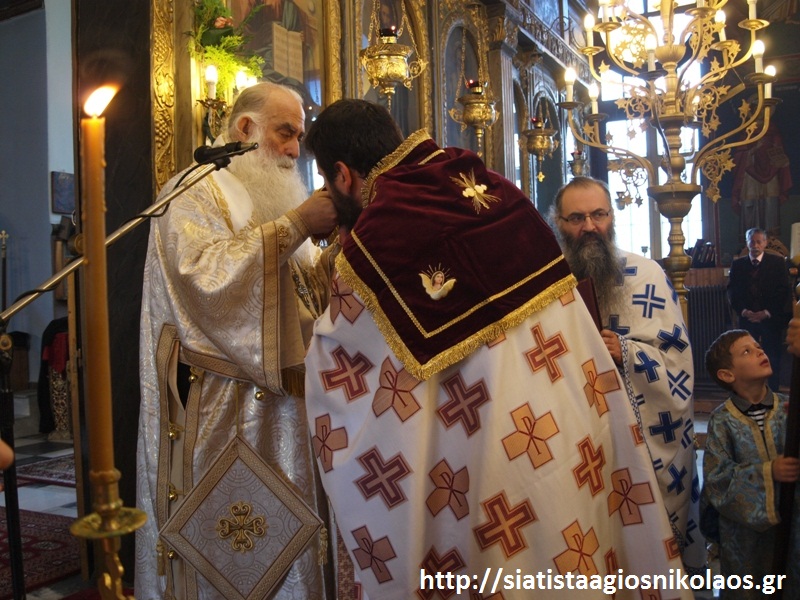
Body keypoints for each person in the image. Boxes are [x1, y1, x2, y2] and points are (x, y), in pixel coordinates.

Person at [302, 99, 690, 599]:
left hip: (486, 468)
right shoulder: (496, 191)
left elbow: (342, 376)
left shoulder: (374, 243)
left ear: (342, 174)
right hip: (574, 435)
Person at [135, 82, 338, 600]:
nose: (294, 149)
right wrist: (297, 224)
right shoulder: (194, 190)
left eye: (299, 137)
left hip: (283, 398)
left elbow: (305, 289)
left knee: (287, 539)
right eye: (285, 132)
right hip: (218, 403)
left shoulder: (274, 193)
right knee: (227, 548)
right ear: (245, 128)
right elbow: (203, 277)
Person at [549, 176, 706, 573]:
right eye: (576, 218)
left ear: (612, 218)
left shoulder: (645, 274)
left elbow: (678, 362)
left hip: (637, 431)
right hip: (576, 428)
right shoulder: (547, 284)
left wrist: (628, 352)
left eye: (598, 215)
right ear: (558, 223)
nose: (589, 227)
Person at [701, 330, 799, 598]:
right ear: (727, 374)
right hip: (746, 541)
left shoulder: (789, 408)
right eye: (747, 351)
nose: (759, 351)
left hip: (793, 526)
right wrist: (768, 472)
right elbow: (717, 481)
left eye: (758, 346)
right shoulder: (723, 420)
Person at [726, 227, 791, 391]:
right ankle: (750, 389)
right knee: (746, 356)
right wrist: (744, 311)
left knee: (772, 356)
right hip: (747, 318)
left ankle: (774, 391)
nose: (755, 245)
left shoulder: (777, 263)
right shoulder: (738, 265)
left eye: (758, 242)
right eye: (752, 242)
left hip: (770, 318)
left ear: (765, 243)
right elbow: (732, 291)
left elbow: (783, 291)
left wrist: (766, 313)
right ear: (747, 243)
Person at [731, 121, 792, 238]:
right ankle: (749, 239)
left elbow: (779, 151)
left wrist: (780, 160)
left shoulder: (773, 130)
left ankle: (771, 238)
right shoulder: (746, 131)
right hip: (749, 174)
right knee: (750, 203)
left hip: (771, 172)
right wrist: (754, 149)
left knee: (770, 203)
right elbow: (739, 155)